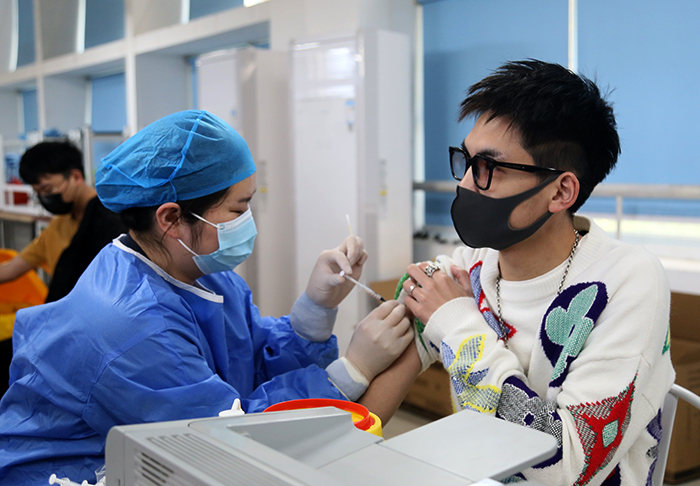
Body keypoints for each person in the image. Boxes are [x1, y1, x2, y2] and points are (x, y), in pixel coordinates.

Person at [0, 110, 413, 486]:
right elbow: (228, 440)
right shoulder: (128, 325)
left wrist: (315, 309)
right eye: (238, 210)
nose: (248, 222)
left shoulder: (198, 271)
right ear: (171, 218)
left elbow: (248, 357)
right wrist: (352, 372)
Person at [397, 60, 674, 485]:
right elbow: (383, 368)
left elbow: (566, 467)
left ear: (560, 191)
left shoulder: (626, 282)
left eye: (488, 168)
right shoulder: (473, 265)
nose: (466, 183)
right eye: (466, 161)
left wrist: (457, 325)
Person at [0, 141, 125, 397]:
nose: (45, 198)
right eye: (38, 192)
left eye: (48, 189)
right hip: (63, 326)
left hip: (97, 334)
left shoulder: (112, 221)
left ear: (75, 176)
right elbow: (12, 269)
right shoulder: (57, 227)